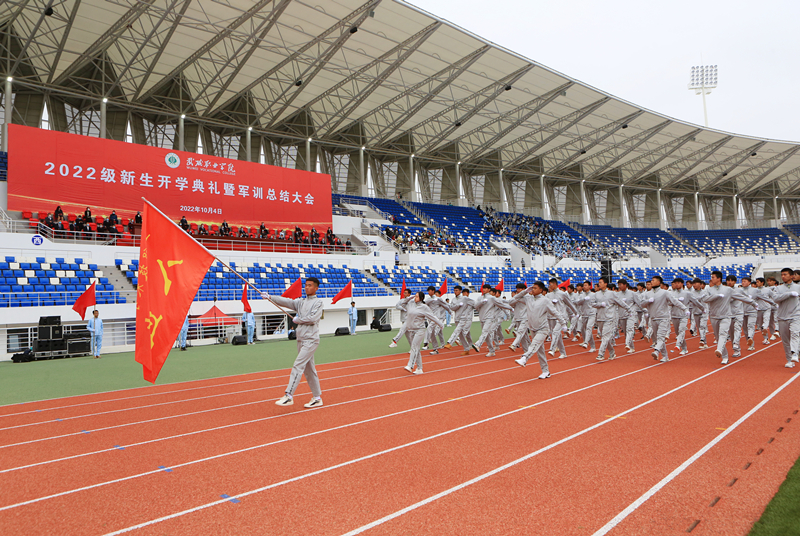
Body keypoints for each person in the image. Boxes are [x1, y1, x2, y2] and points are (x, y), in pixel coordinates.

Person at [270, 278, 325, 408]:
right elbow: (287, 302)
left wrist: (298, 320)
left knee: (298, 365)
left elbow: (313, 318)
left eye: (310, 285)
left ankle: (289, 395)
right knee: (309, 370)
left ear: (316, 288)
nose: (307, 287)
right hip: (301, 339)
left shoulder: (318, 302)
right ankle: (317, 398)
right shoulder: (301, 302)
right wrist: (271, 297)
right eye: (306, 285)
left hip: (311, 340)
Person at [511, 282, 568, 379]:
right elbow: (513, 299)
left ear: (541, 290)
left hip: (543, 328)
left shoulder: (545, 300)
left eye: (535, 288)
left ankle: (524, 358)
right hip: (533, 329)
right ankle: (546, 371)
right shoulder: (528, 298)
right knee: (540, 351)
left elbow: (555, 312)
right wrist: (525, 291)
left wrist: (563, 323)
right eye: (532, 288)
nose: (532, 290)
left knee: (534, 344)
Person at [701, 271, 754, 365]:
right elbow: (705, 299)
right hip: (714, 316)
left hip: (726, 316)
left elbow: (740, 297)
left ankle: (720, 350)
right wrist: (715, 296)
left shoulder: (727, 290)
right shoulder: (708, 289)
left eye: (713, 277)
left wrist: (753, 303)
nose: (711, 279)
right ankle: (724, 355)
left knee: (723, 334)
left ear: (719, 278)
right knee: (718, 337)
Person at [641, 275, 687, 362]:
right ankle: (665, 356)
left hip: (663, 318)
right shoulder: (647, 294)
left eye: (653, 280)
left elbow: (675, 301)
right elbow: (642, 304)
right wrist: (648, 301)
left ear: (659, 282)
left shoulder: (665, 292)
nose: (651, 282)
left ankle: (656, 351)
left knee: (660, 337)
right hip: (653, 318)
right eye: (651, 280)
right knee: (659, 338)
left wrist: (684, 308)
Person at [402, 292, 444, 375]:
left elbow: (432, 316)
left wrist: (440, 324)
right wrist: (410, 298)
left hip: (419, 330)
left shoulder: (424, 307)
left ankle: (410, 365)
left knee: (414, 347)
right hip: (411, 329)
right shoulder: (411, 304)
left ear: (421, 298)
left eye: (417, 296)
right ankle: (419, 368)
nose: (415, 298)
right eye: (415, 296)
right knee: (416, 349)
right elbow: (402, 303)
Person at [592, 277, 633, 362]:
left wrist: (628, 309)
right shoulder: (596, 294)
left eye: (601, 282)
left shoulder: (612, 293)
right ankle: (612, 352)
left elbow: (620, 302)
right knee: (605, 337)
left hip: (609, 318)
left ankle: (601, 354)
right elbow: (592, 304)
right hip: (600, 318)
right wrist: (600, 304)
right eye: (599, 282)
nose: (599, 284)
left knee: (605, 336)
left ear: (605, 284)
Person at [773, 268, 800, 368]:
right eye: (782, 275)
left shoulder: (798, 287)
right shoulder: (778, 288)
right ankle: (789, 360)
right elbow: (775, 299)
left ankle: (795, 353)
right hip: (782, 317)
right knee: (785, 340)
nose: (783, 276)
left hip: (795, 315)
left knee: (795, 334)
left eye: (785, 274)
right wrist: (789, 294)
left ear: (791, 276)